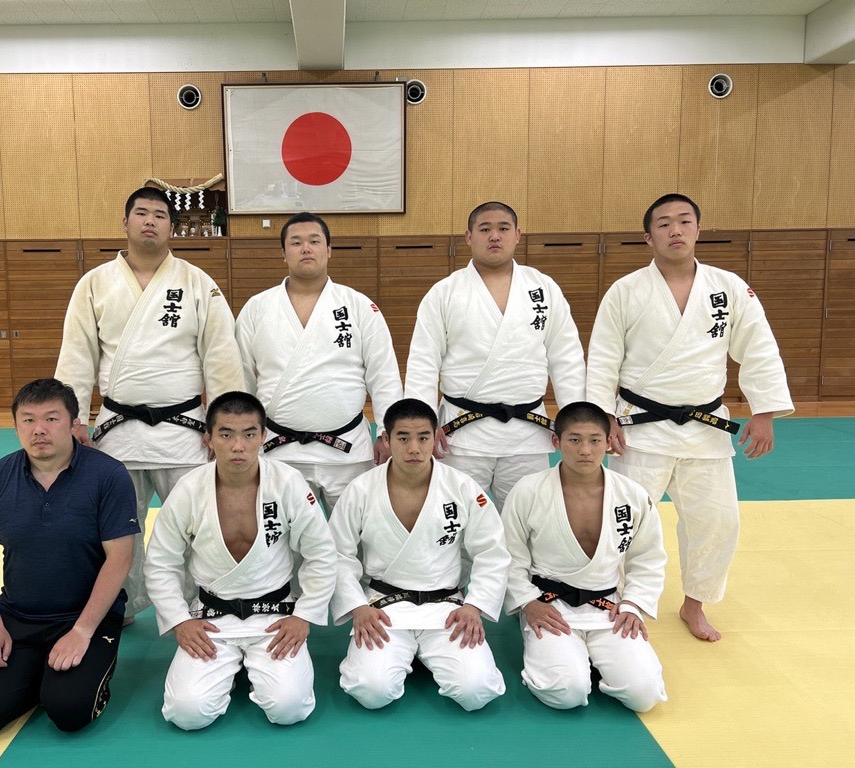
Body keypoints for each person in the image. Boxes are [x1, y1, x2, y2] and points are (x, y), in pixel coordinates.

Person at [586, 193, 793, 642]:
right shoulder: (626, 290)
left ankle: (694, 603)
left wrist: (764, 411)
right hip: (639, 427)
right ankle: (618, 599)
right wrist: (603, 417)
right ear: (648, 237)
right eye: (663, 223)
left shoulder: (729, 288)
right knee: (623, 520)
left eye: (684, 221)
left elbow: (759, 348)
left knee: (717, 522)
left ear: (699, 229)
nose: (675, 230)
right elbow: (602, 358)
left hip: (705, 428)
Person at [55, 185, 244, 622]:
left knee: (196, 522)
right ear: (125, 223)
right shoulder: (94, 283)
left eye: (160, 215)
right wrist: (74, 418)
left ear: (171, 228)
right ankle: (119, 602)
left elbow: (221, 357)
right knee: (116, 527)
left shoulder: (197, 283)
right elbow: (77, 355)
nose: (150, 222)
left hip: (185, 431)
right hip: (117, 430)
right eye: (141, 213)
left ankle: (201, 601)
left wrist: (225, 425)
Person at [143, 391, 337, 730]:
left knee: (289, 709)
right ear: (208, 438)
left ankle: (245, 668)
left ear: (263, 436)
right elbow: (161, 562)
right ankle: (230, 669)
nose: (238, 446)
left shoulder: (288, 483)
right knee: (187, 713)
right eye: (226, 434)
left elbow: (321, 553)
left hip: (275, 615)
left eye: (249, 434)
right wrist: (179, 620)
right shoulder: (188, 489)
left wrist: (304, 614)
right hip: (211, 618)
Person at [0, 378, 138, 735]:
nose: (38, 430)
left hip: (86, 617)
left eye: (51, 419)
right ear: (16, 427)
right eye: (28, 420)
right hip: (18, 617)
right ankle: (38, 672)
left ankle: (63, 677)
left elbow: (119, 558)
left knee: (68, 711)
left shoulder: (108, 475)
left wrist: (82, 631)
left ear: (74, 424)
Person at [329, 398, 509, 712]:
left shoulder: (462, 487)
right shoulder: (361, 489)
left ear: (435, 437)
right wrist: (357, 606)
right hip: (383, 607)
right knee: (371, 692)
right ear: (386, 440)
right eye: (403, 438)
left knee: (477, 691)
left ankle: (421, 653)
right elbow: (338, 554)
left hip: (447, 608)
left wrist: (475, 605)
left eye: (423, 438)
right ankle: (404, 655)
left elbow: (491, 551)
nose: (414, 448)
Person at [404, 201, 585, 512]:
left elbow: (566, 357)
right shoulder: (445, 292)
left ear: (517, 235)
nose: (494, 236)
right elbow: (423, 362)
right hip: (462, 434)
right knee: (459, 518)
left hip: (527, 433)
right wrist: (422, 424)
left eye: (503, 228)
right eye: (485, 229)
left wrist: (575, 418)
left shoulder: (543, 288)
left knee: (527, 518)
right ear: (468, 237)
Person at [502, 401, 667, 712]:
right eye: (574, 440)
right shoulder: (528, 491)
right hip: (549, 605)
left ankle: (590, 658)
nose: (585, 451)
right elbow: (509, 555)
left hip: (609, 608)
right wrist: (528, 603)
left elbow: (648, 557)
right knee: (566, 692)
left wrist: (634, 604)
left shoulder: (631, 495)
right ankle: (572, 661)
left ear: (609, 441)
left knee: (644, 695)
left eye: (594, 440)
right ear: (557, 441)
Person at [236, 212, 403, 514]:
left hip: (347, 451)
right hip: (279, 451)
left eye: (314, 241)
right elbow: (241, 377)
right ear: (283, 253)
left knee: (356, 535)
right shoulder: (257, 308)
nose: (306, 248)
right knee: (283, 538)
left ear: (329, 250)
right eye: (296, 242)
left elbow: (384, 375)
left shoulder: (359, 306)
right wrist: (241, 432)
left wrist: (386, 431)